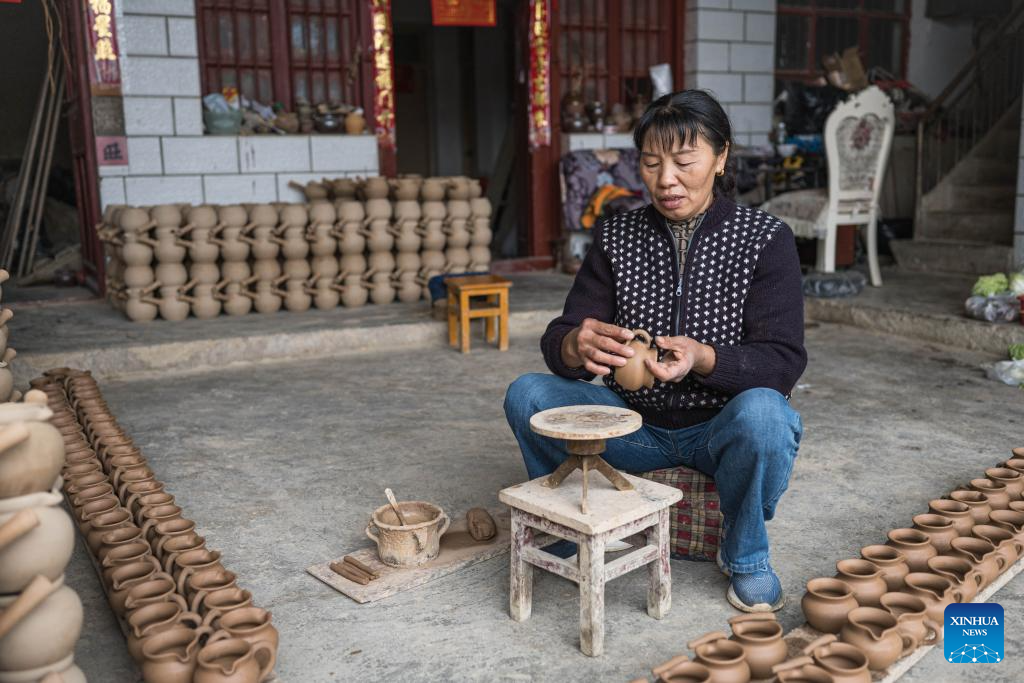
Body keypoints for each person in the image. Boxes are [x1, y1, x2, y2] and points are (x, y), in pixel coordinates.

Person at [503, 90, 806, 613]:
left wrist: (705, 358)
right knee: (528, 393)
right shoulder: (617, 235)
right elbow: (562, 337)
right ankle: (569, 519)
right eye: (650, 162)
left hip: (718, 432)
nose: (666, 179)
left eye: (684, 161)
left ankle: (746, 552)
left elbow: (781, 361)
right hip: (632, 428)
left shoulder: (765, 238)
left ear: (721, 158)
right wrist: (576, 345)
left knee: (767, 414)